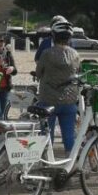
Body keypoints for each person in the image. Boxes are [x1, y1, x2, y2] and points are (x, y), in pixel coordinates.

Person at [36, 19, 80, 156]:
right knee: (69, 136)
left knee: (47, 135)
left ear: (54, 36)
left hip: (48, 99)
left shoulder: (47, 53)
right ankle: (70, 164)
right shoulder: (75, 54)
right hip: (69, 99)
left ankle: (48, 161)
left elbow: (38, 73)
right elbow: (77, 72)